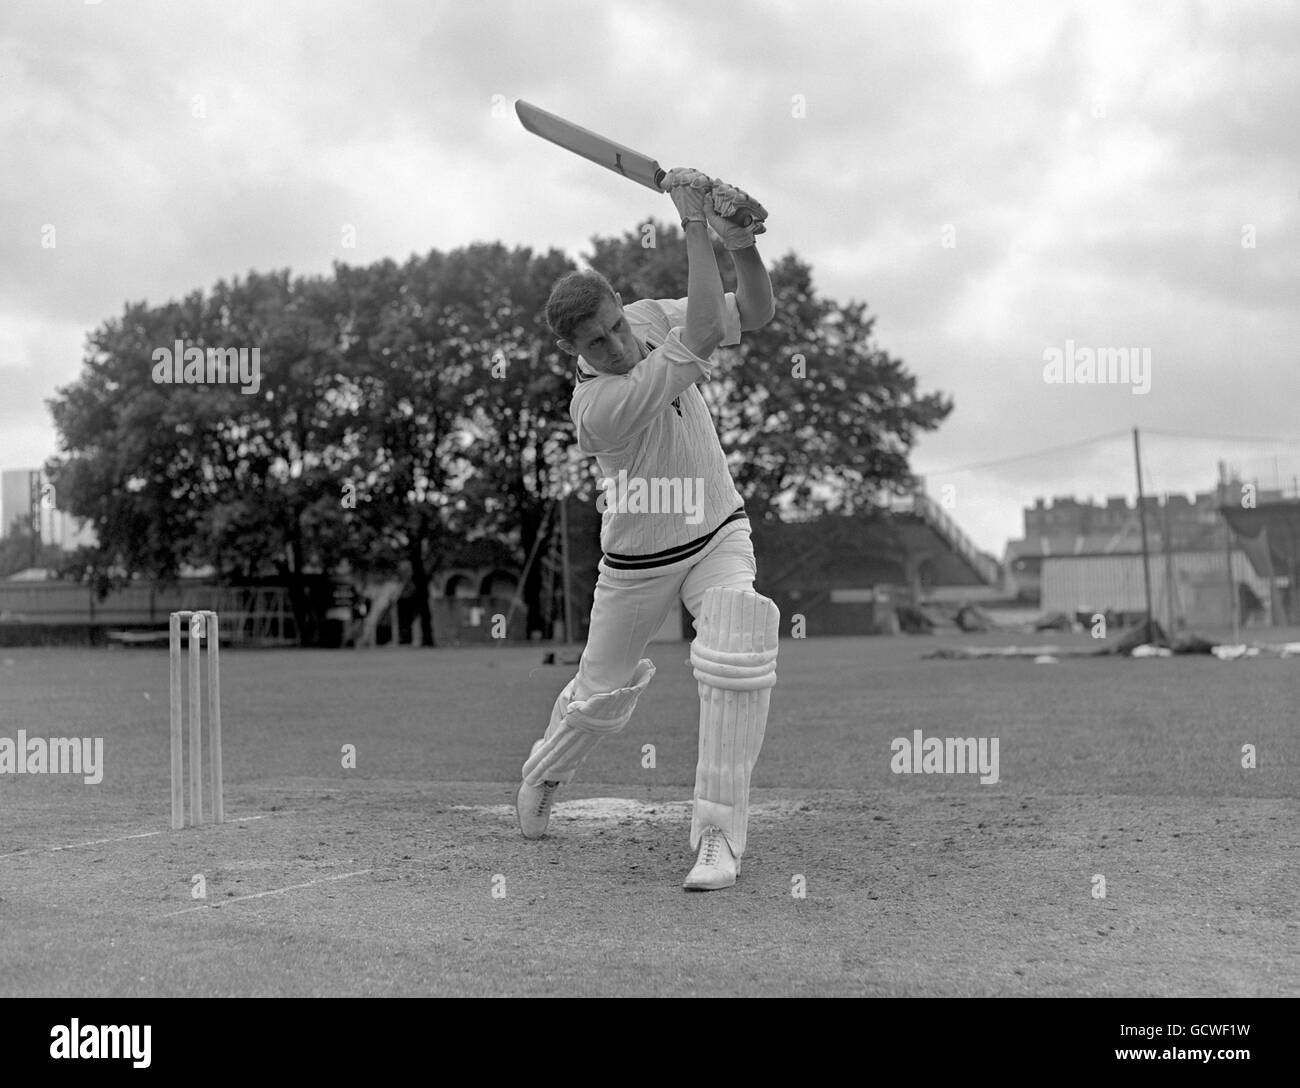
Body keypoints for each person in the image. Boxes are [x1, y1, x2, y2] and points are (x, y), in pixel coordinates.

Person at [514, 167, 781, 891]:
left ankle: (719, 837)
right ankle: (543, 775)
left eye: (615, 326)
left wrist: (740, 247)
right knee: (600, 697)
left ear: (617, 306)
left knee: (738, 638)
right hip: (636, 563)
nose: (617, 346)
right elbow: (701, 332)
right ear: (575, 349)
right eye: (596, 343)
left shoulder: (646, 319)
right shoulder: (596, 409)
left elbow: (751, 314)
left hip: (717, 530)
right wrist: (691, 224)